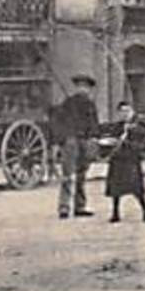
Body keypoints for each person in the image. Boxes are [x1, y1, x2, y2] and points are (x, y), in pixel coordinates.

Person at [52, 73, 100, 219]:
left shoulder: (91, 105)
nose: (82, 89)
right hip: (71, 142)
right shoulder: (68, 104)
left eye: (85, 87)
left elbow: (94, 124)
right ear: (76, 88)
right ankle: (64, 207)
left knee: (81, 175)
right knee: (67, 176)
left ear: (89, 89)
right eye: (80, 86)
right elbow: (59, 123)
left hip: (85, 141)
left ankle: (80, 206)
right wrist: (62, 140)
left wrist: (94, 139)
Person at [101, 101, 145, 224]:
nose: (125, 114)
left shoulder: (140, 125)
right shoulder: (117, 126)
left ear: (132, 111)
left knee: (137, 188)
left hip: (132, 159)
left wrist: (142, 146)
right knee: (115, 189)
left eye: (127, 111)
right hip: (118, 159)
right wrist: (109, 142)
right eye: (122, 112)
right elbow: (109, 136)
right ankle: (115, 213)